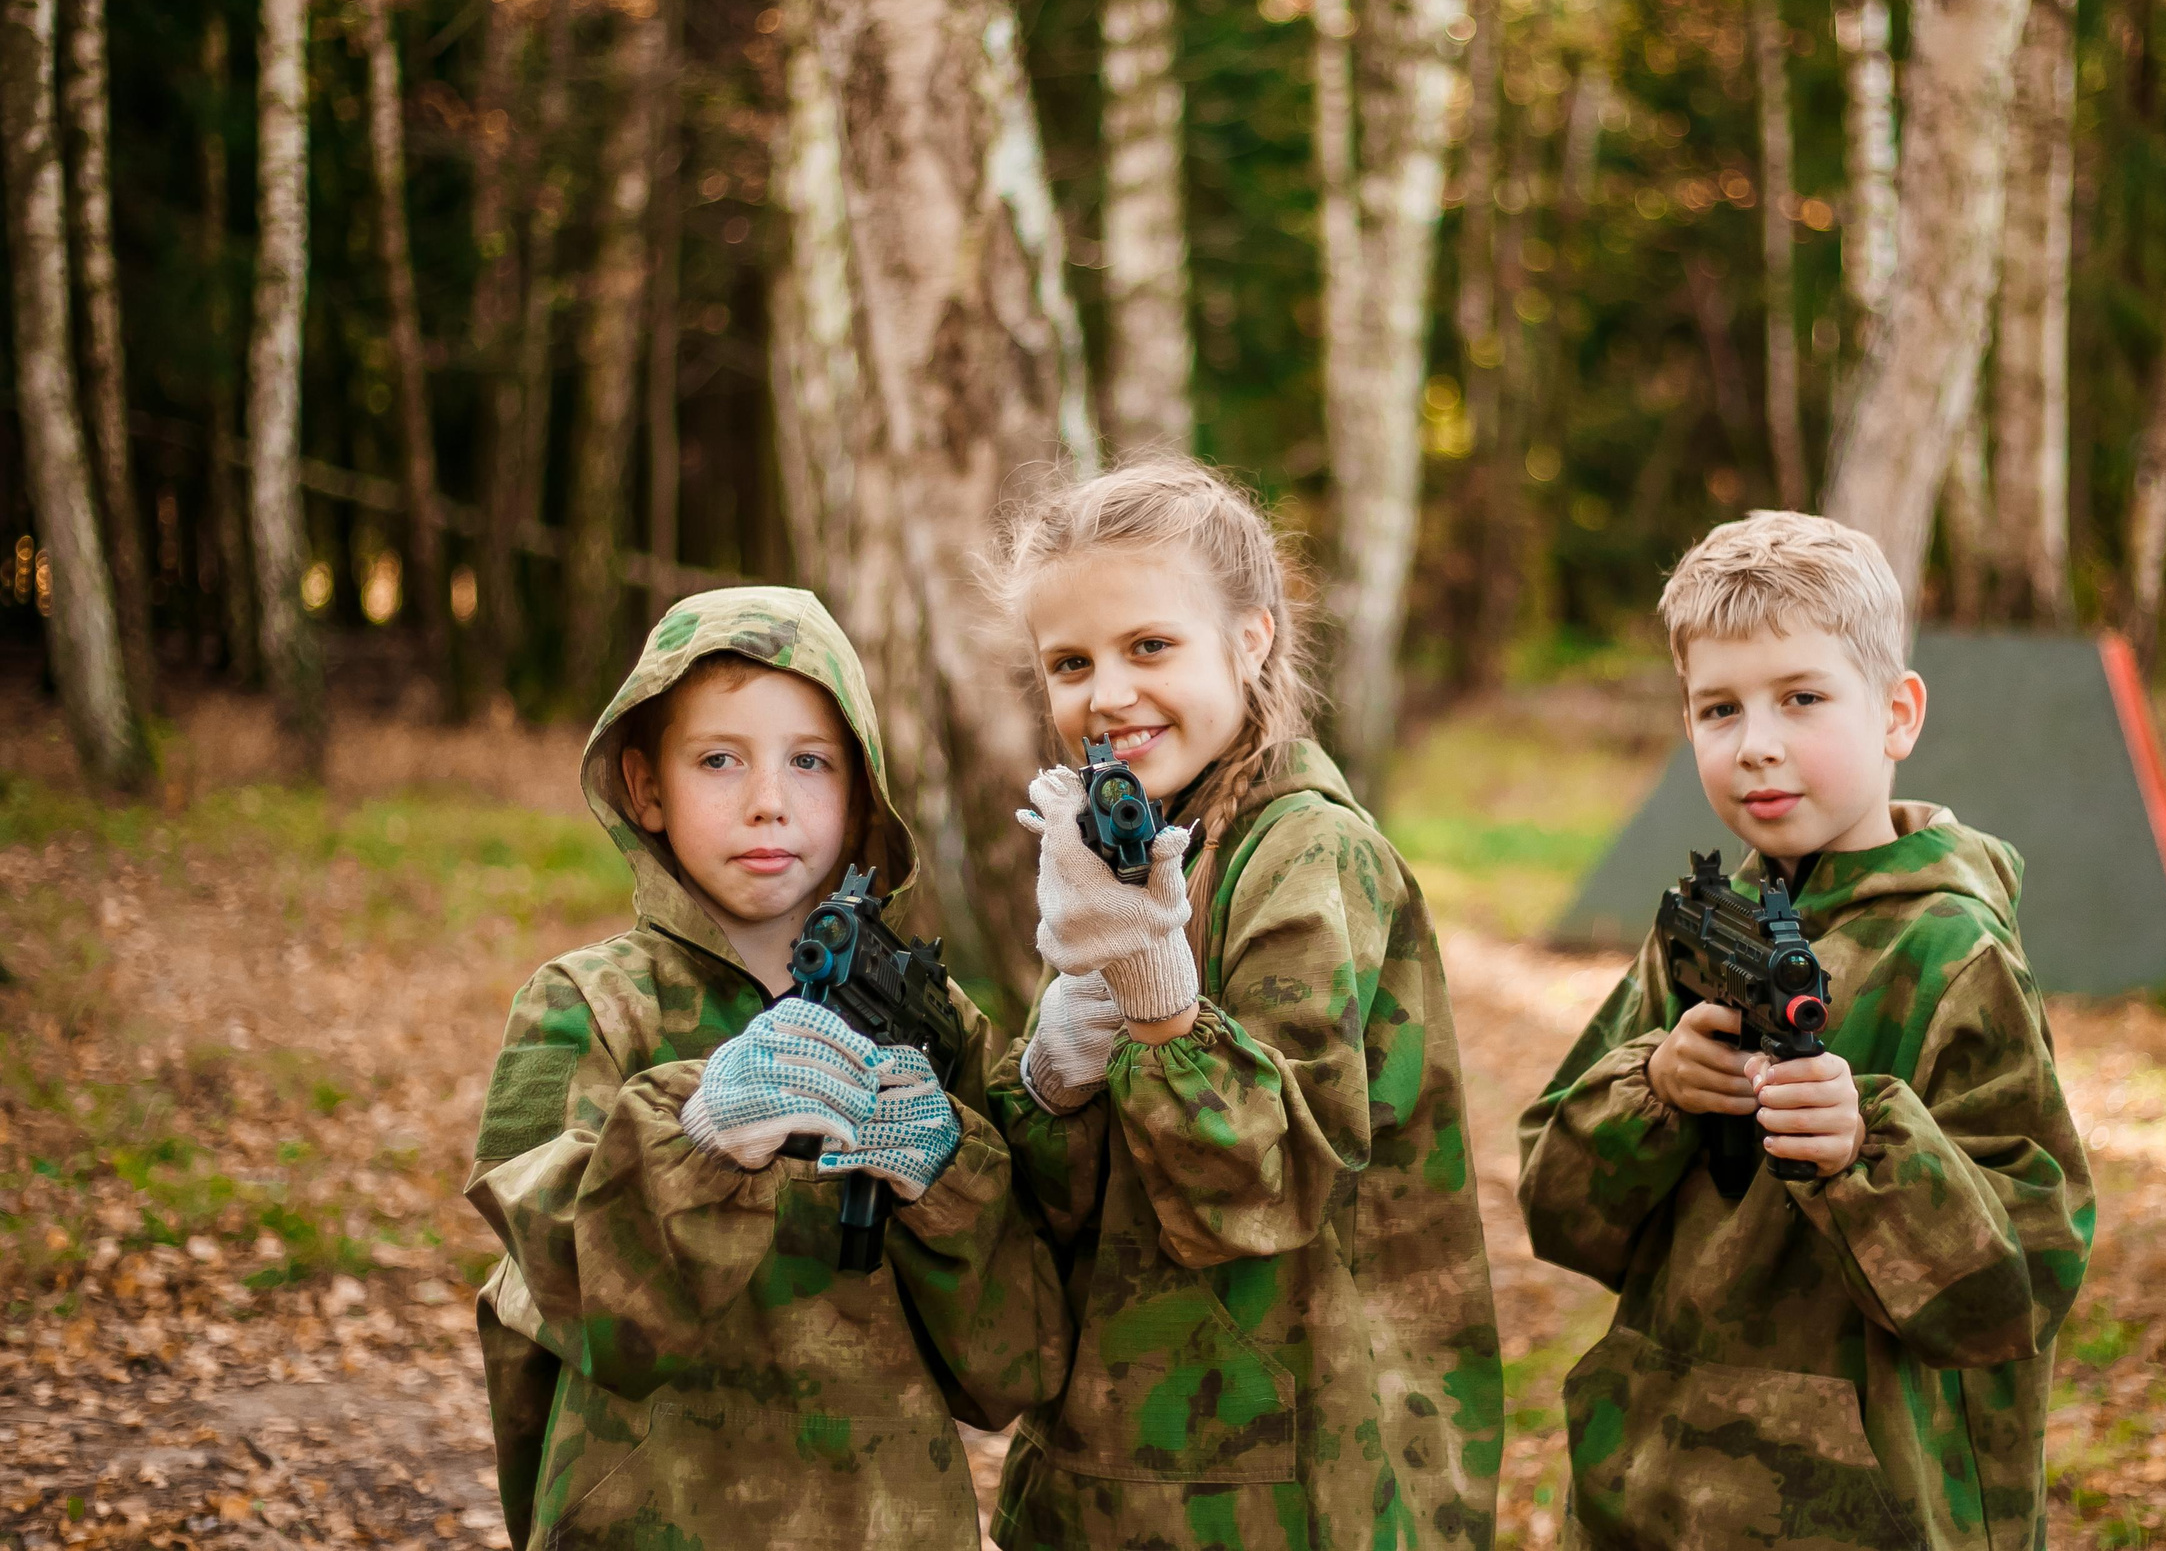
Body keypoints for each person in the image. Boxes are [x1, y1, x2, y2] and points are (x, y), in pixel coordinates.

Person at [1516, 511, 2094, 1551]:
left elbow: (2020, 1283)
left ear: (1896, 713)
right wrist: (1655, 1086)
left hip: (1867, 1511)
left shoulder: (1951, 952)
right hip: (1655, 1491)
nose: (1758, 742)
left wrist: (1867, 1147)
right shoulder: (1701, 927)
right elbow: (1559, 1211)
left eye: (1802, 697)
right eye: (1718, 708)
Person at [466, 587, 1066, 1550]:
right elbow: (562, 1292)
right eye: (718, 760)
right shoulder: (579, 1008)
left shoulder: (936, 1024)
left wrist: (949, 1182)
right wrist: (696, 1137)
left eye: (810, 762)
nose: (768, 801)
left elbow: (1015, 1364)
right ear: (645, 785)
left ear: (862, 793)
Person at [982, 460, 1501, 1551]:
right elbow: (1054, 1215)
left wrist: (1158, 1000)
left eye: (1149, 645)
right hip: (1103, 1475)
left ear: (1253, 637)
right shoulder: (1113, 852)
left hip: (1294, 1484)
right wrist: (1052, 1076)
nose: (1106, 693)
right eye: (1068, 662)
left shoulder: (1311, 856)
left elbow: (1260, 1192)